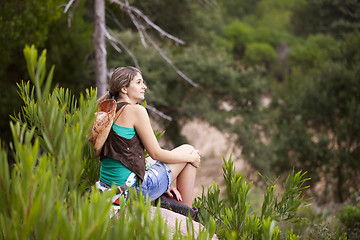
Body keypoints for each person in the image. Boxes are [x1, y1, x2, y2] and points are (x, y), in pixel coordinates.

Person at [96, 66, 201, 208]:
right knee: (189, 151)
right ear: (124, 89)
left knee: (159, 158)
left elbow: (127, 156)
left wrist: (165, 181)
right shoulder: (136, 110)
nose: (144, 87)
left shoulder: (111, 111)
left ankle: (167, 191)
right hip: (131, 191)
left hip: (108, 188)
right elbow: (157, 153)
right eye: (139, 82)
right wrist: (192, 159)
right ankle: (188, 214)